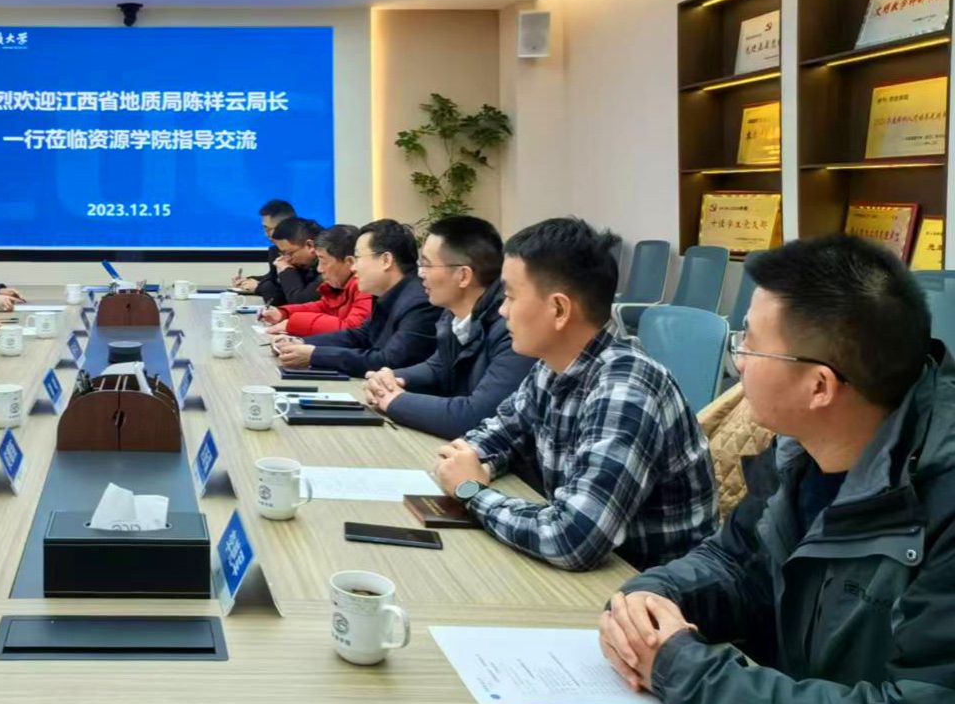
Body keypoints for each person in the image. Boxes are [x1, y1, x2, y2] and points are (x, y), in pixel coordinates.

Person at [598, 236, 955, 704]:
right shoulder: (801, 453)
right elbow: (733, 560)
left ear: (819, 386)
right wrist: (652, 599)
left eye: (751, 343)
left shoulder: (941, 498)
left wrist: (685, 670)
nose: (737, 361)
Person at [432, 217, 716, 571]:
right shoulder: (553, 365)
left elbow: (572, 539)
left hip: (646, 586)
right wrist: (470, 464)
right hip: (597, 572)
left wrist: (472, 491)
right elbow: (499, 435)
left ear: (559, 309)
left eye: (511, 296)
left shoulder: (626, 389)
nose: (502, 310)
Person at [364, 216, 534, 438]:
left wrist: (393, 400)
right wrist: (390, 377)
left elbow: (476, 416)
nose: (420, 273)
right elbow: (437, 367)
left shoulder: (512, 328)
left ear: (463, 276)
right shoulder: (453, 316)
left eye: (427, 264)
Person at [274, 218, 438, 375]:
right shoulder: (386, 293)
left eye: (358, 258)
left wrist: (315, 355)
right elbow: (360, 335)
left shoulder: (420, 303)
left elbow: (389, 361)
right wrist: (302, 343)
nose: (353, 267)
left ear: (385, 260)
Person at [259, 224, 373, 337]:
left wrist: (294, 323)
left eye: (324, 262)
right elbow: (323, 307)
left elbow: (352, 329)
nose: (319, 269)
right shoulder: (340, 284)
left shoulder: (364, 286)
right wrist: (283, 313)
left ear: (349, 262)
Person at [253, 216, 323, 307]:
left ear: (310, 245)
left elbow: (301, 303)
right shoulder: (303, 264)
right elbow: (276, 300)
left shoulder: (329, 265)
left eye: (289, 253)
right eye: (283, 254)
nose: (286, 259)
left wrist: (287, 270)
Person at [232, 198, 295, 296]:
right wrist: (247, 281)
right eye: (264, 228)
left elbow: (290, 292)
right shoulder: (275, 251)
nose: (266, 234)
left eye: (269, 229)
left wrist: (259, 287)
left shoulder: (304, 253)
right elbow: (272, 278)